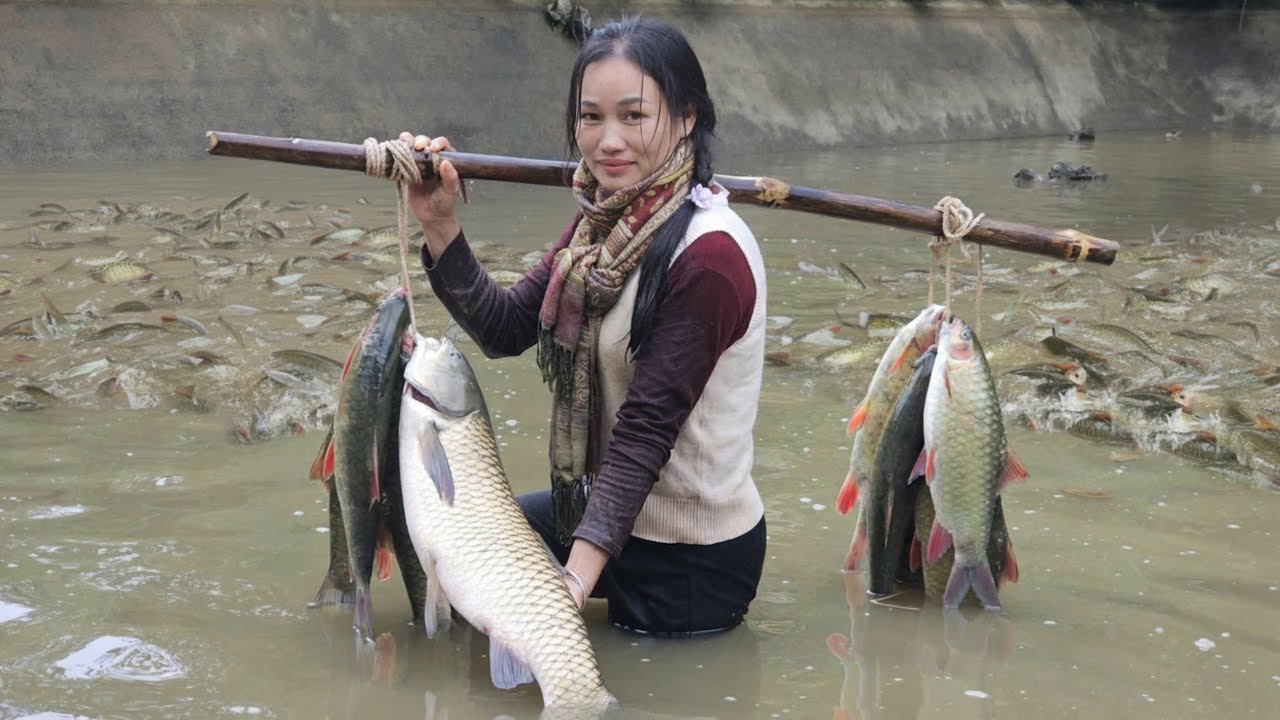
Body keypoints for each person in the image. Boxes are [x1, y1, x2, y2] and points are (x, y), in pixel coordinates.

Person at [401, 16, 767, 637]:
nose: (608, 142)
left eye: (633, 115)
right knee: (460, 566)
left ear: (686, 118)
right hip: (597, 514)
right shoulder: (602, 228)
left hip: (686, 562)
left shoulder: (710, 258)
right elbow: (507, 327)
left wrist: (570, 584)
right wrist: (438, 223)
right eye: (591, 117)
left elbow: (644, 433)